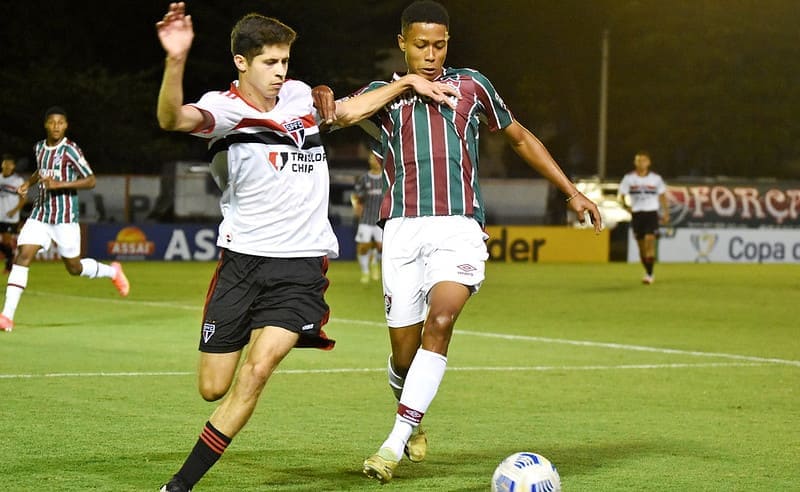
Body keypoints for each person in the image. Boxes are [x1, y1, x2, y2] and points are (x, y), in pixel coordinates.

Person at [154, 3, 459, 491]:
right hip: (241, 264)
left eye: (285, 62)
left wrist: (403, 84)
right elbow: (172, 118)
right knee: (213, 387)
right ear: (241, 62)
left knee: (257, 370)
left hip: (300, 269)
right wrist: (175, 60)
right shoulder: (224, 111)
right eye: (270, 63)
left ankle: (180, 484)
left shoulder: (300, 96)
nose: (281, 73)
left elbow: (347, 112)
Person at [314, 0, 603, 483]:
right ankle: (413, 411)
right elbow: (335, 115)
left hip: (459, 227)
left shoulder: (472, 86)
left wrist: (571, 191)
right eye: (421, 45)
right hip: (402, 230)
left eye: (440, 45)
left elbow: (519, 137)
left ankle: (391, 443)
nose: (431, 54)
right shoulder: (383, 95)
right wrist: (347, 90)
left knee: (441, 319)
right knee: (403, 357)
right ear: (402, 43)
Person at [0, 107, 129, 333]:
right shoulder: (39, 147)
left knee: (74, 268)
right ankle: (7, 317)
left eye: (60, 122)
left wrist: (60, 185)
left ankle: (113, 272)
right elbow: (40, 172)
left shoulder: (70, 149)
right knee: (22, 256)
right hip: (40, 214)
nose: (56, 126)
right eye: (52, 122)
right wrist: (27, 184)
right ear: (46, 125)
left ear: (66, 125)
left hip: (65, 218)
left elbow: (90, 180)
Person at [617, 150, 669, 284]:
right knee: (641, 248)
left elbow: (662, 196)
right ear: (635, 162)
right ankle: (648, 270)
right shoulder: (629, 178)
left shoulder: (656, 178)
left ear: (649, 162)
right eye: (639, 160)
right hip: (637, 214)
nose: (641, 163)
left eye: (644, 160)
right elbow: (620, 196)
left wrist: (666, 213)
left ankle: (650, 275)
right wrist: (626, 207)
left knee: (650, 240)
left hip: (651, 213)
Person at [351, 152, 384, 284]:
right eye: (372, 158)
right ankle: (365, 272)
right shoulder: (364, 179)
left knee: (381, 246)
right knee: (363, 246)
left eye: (376, 159)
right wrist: (357, 208)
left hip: (382, 219)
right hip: (366, 218)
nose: (374, 161)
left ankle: (375, 262)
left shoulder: (386, 178)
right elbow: (356, 197)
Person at [0, 154, 25, 273]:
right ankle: (11, 256)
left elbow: (23, 199)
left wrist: (14, 211)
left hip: (10, 217)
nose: (7, 167)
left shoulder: (17, 180)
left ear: (13, 166)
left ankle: (9, 264)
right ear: (2, 165)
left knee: (5, 241)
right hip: (0, 215)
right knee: (4, 244)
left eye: (10, 165)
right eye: (5, 165)